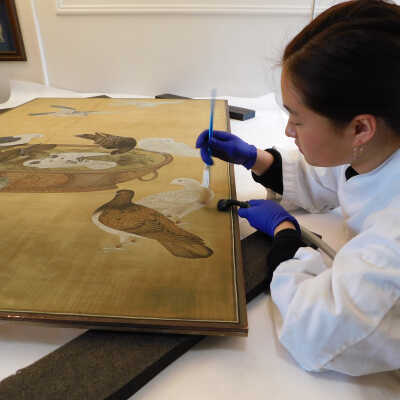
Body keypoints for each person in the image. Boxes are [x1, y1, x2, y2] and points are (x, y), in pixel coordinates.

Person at [196, 0, 400, 376]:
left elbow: (315, 331)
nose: (288, 130)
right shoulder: (381, 146)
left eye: (297, 118)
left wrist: (287, 240)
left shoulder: (392, 246)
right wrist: (256, 159)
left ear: (360, 128)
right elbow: (332, 176)